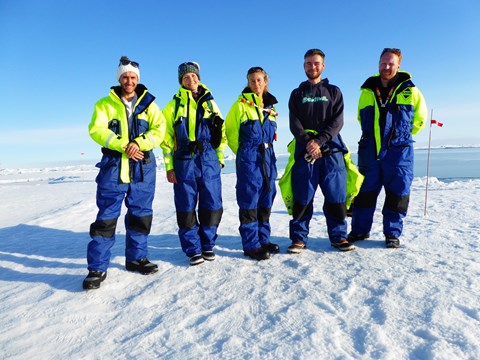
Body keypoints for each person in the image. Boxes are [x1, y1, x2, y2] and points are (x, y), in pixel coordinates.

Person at [84, 56, 166, 290]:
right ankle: (97, 268)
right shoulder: (104, 104)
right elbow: (96, 129)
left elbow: (159, 130)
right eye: (125, 77)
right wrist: (123, 145)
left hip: (142, 168)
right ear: (119, 78)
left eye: (132, 77)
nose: (129, 81)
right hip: (113, 168)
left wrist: (139, 143)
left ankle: (136, 258)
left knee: (140, 215)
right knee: (106, 218)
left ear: (137, 79)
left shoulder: (149, 104)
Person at [348, 48, 428, 248]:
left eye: (390, 63)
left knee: (397, 192)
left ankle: (392, 233)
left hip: (399, 152)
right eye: (383, 63)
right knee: (364, 191)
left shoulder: (411, 90)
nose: (386, 67)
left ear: (398, 65)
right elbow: (360, 117)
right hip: (370, 149)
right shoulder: (367, 90)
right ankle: (359, 230)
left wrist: (402, 136)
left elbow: (420, 118)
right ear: (378, 64)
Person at [287, 48, 354, 253]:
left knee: (335, 196)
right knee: (303, 195)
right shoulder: (297, 93)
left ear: (323, 66)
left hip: (331, 150)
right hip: (305, 151)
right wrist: (309, 142)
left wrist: (321, 141)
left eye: (316, 63)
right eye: (308, 63)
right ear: (304, 66)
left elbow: (337, 121)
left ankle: (338, 236)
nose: (312, 66)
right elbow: (294, 123)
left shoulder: (334, 91)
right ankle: (299, 238)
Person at [161, 62, 226, 266]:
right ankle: (192, 249)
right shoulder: (173, 106)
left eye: (194, 76)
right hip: (184, 160)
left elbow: (221, 134)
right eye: (186, 77)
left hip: (208, 160)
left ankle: (207, 245)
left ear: (199, 78)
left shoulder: (211, 103)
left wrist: (220, 160)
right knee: (186, 206)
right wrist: (169, 167)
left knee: (212, 204)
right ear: (181, 81)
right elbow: (165, 139)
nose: (191, 80)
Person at [226, 67, 279, 261]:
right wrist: (243, 154)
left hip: (268, 158)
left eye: (259, 80)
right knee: (249, 201)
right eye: (252, 80)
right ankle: (251, 244)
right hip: (250, 158)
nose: (256, 84)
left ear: (265, 81)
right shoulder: (240, 105)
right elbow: (230, 133)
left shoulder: (271, 107)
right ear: (248, 82)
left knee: (266, 199)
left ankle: (263, 239)